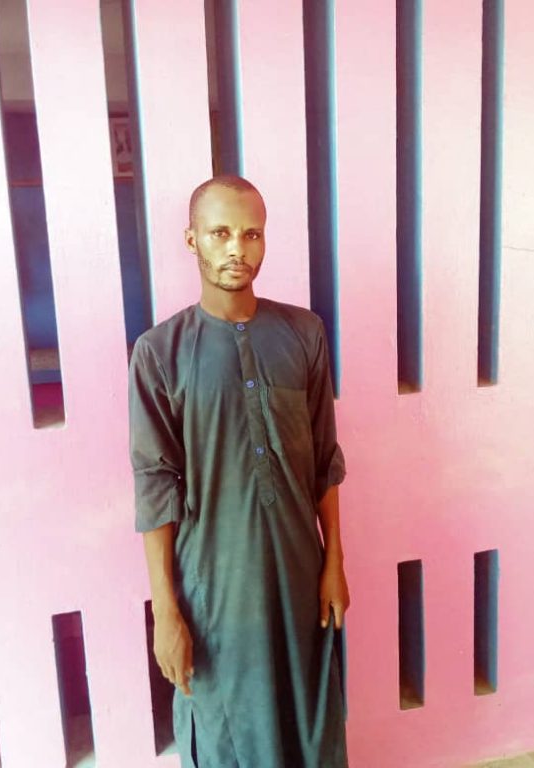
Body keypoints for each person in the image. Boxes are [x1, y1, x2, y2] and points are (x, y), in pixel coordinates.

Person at [128, 175, 350, 767]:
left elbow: (324, 459)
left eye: (251, 234)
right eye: (220, 233)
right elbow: (154, 487)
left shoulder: (303, 333)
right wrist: (166, 611)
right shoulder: (160, 353)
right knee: (227, 731)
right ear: (192, 240)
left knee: (310, 724)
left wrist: (334, 562)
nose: (236, 248)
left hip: (300, 573)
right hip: (215, 585)